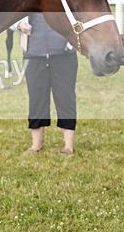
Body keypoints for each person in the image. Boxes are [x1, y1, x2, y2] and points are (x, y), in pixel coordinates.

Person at [12, 14, 77, 154]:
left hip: (64, 55)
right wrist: (19, 25)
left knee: (66, 98)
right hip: (33, 55)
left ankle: (68, 146)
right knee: (36, 99)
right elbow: (9, 17)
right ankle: (36, 145)